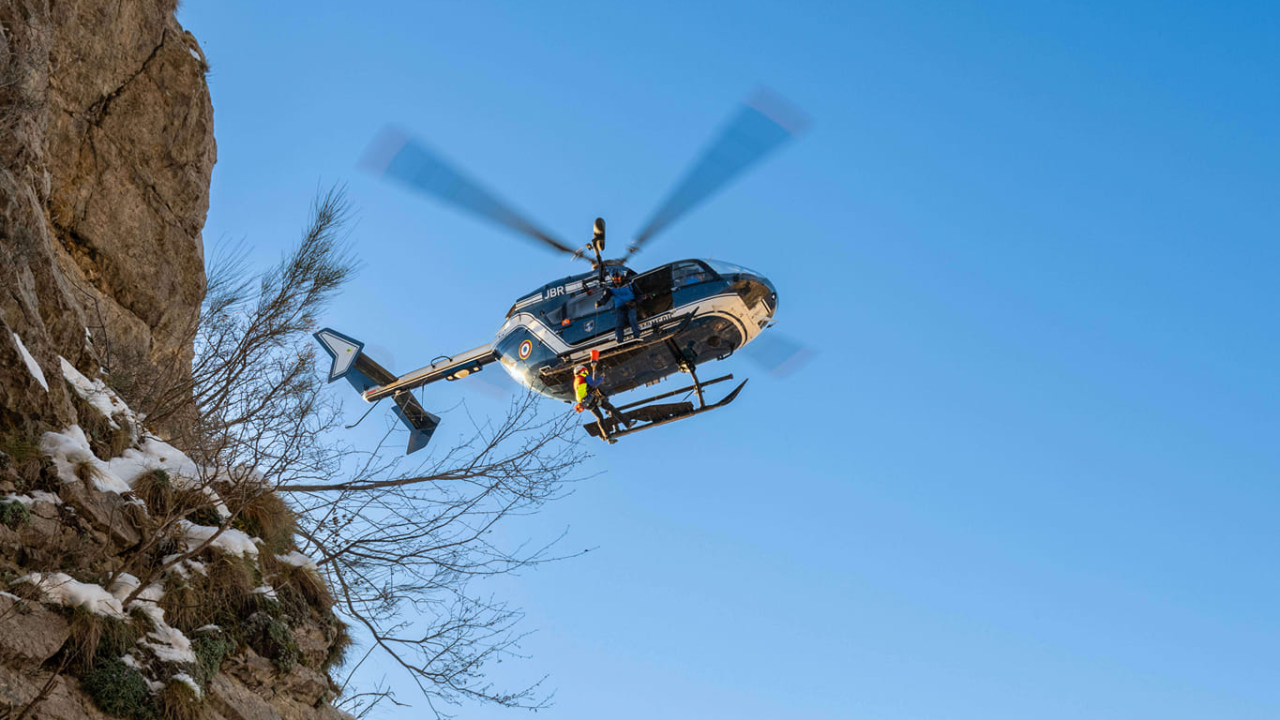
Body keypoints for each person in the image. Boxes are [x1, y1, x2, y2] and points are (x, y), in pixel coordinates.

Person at [573, 362, 632, 440]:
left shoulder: (576, 381)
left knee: (600, 418)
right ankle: (627, 423)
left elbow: (585, 389)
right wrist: (601, 378)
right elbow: (594, 384)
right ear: (583, 370)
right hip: (592, 399)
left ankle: (607, 437)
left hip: (586, 403)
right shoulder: (584, 376)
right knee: (611, 408)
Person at [596, 272, 642, 344]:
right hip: (620, 306)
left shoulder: (629, 283)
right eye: (615, 279)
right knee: (619, 322)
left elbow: (640, 294)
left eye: (618, 278)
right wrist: (600, 302)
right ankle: (619, 339)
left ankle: (636, 335)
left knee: (632, 318)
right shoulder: (611, 287)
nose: (617, 280)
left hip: (630, 304)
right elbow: (606, 296)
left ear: (621, 278)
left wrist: (635, 302)